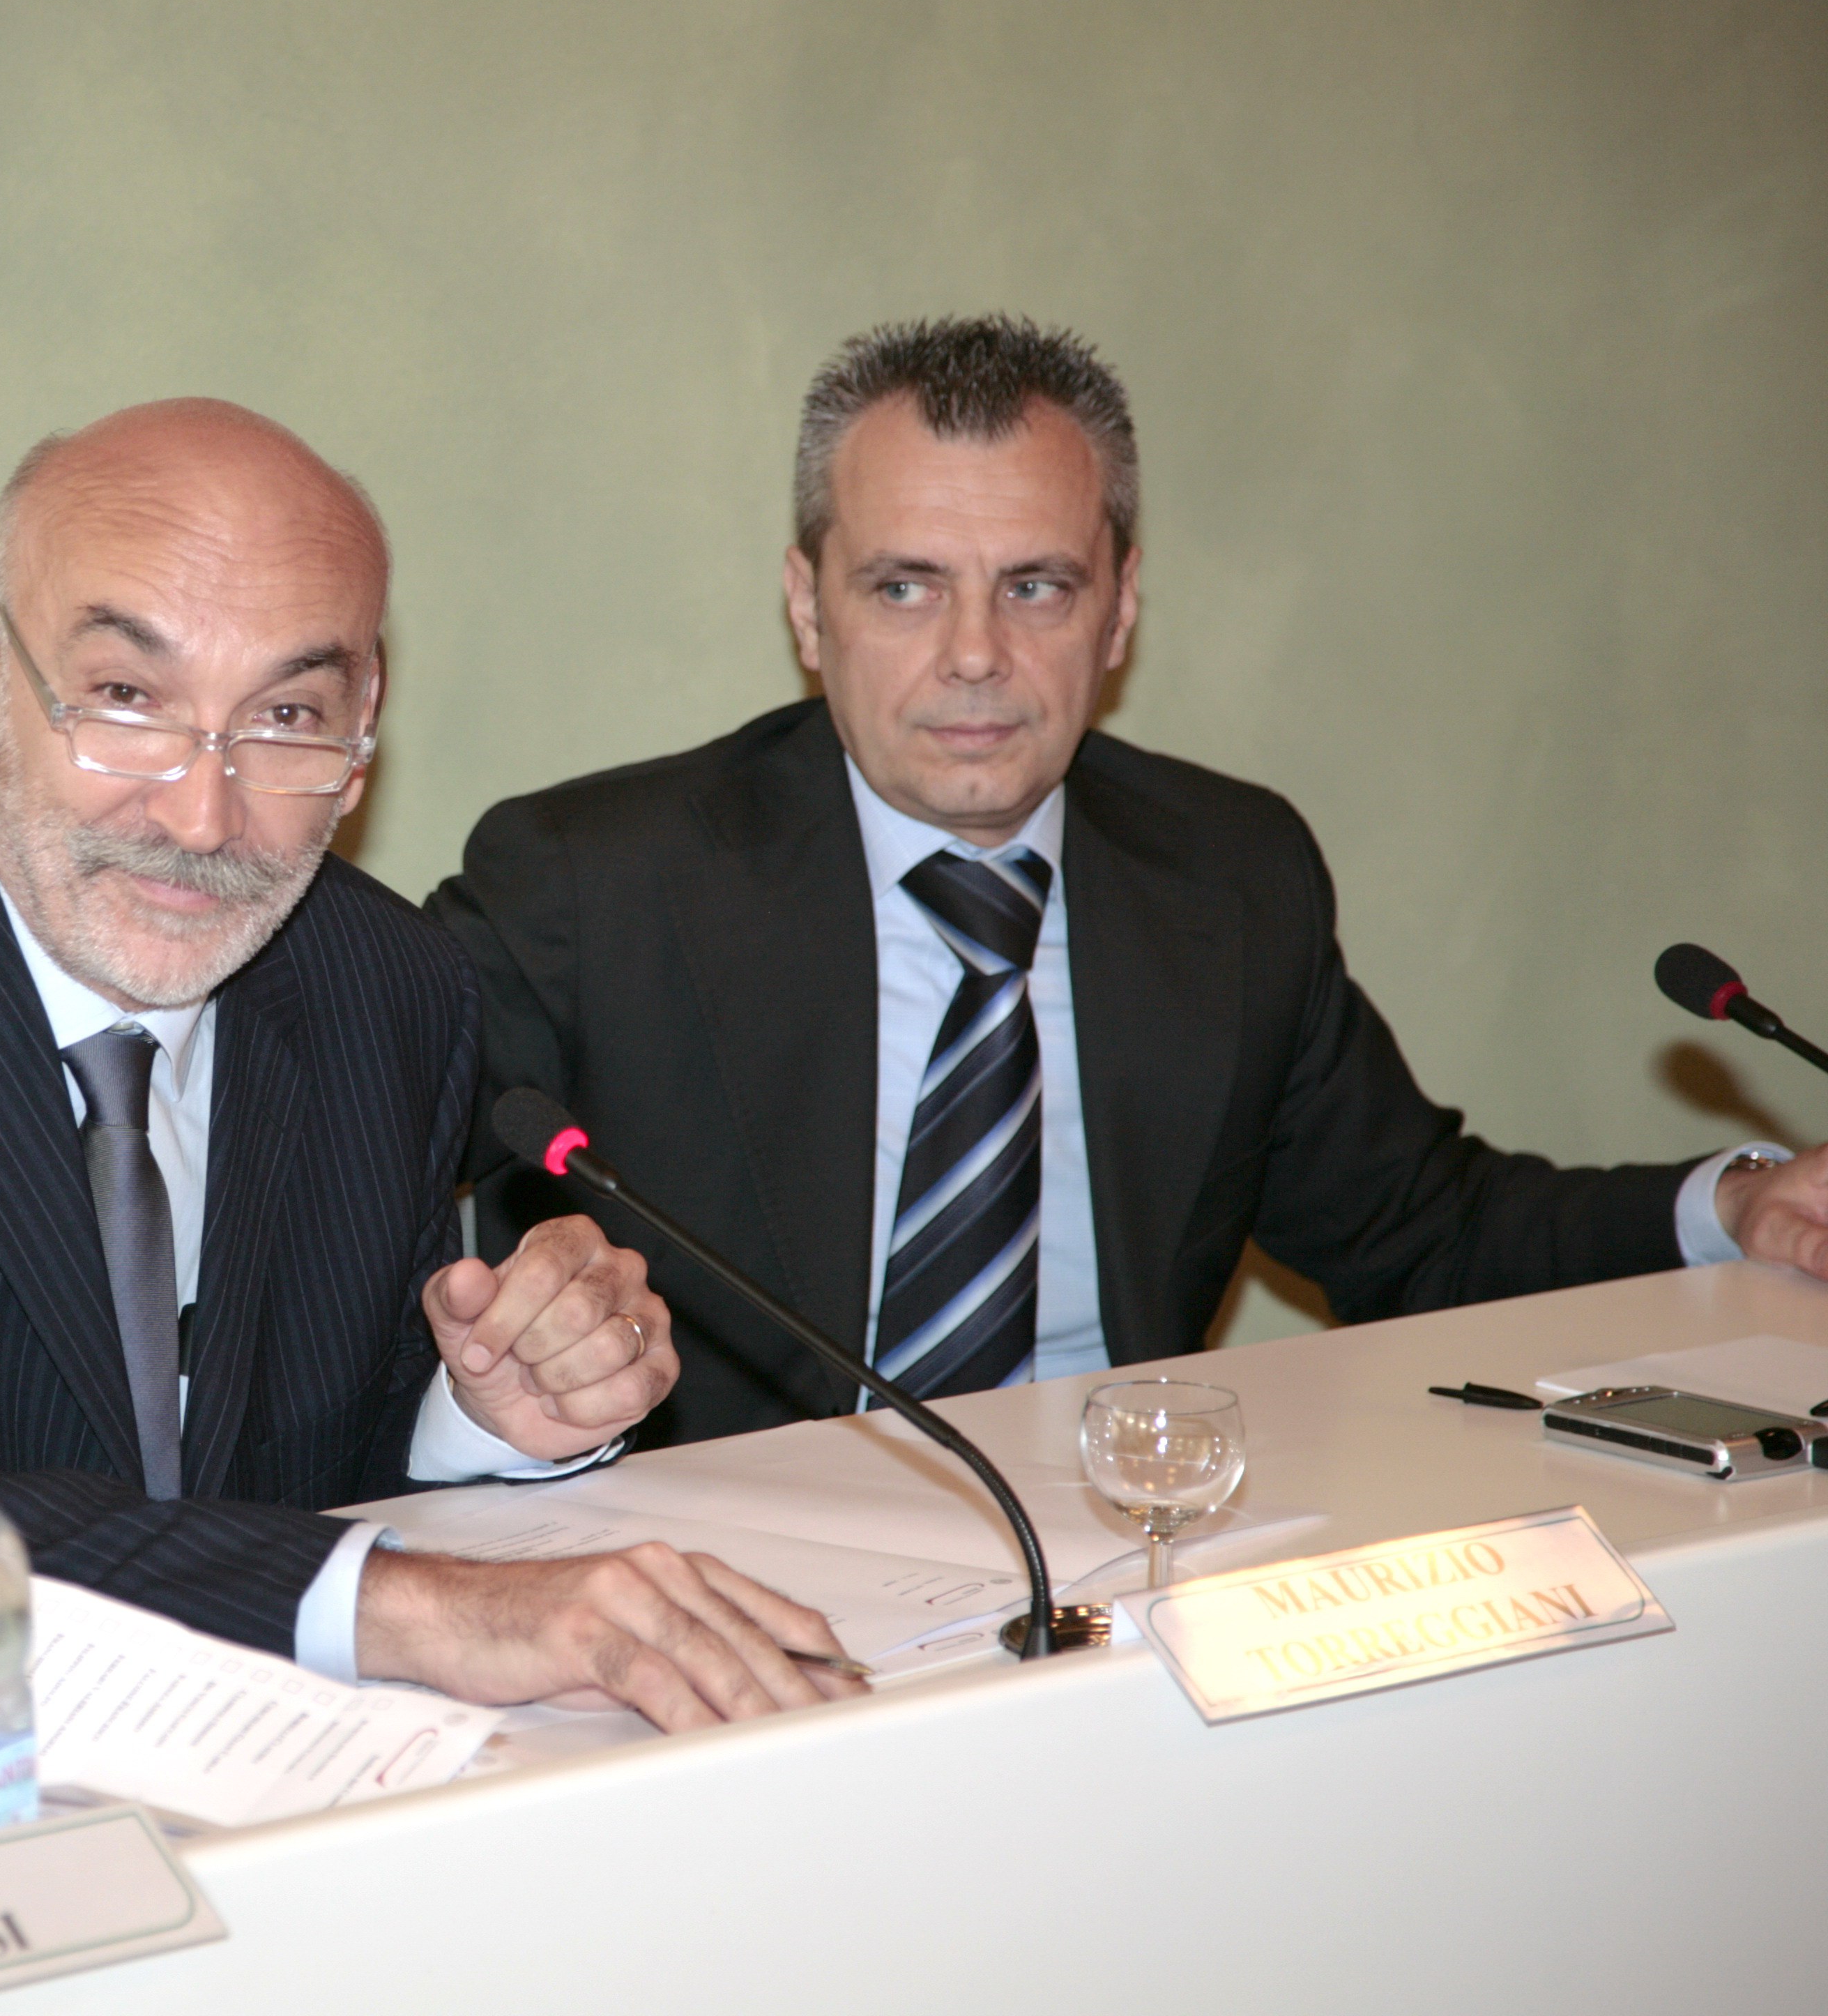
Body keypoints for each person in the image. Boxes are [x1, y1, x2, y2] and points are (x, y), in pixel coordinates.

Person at [0, 398, 861, 1727]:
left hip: (209, 1759)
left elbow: (273, 1491)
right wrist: (426, 1609)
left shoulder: (384, 988)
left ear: (361, 739)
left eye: (286, 718)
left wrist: (482, 1414)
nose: (201, 817)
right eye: (127, 697)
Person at [432, 316, 1828, 1446]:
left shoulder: (1229, 874)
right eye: (906, 587)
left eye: (1035, 587)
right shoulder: (591, 887)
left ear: (1121, 608)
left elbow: (1426, 1232)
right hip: (730, 1568)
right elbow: (360, 1215)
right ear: (809, 606)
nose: (975, 654)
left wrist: (1737, 1202)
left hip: (1136, 1539)